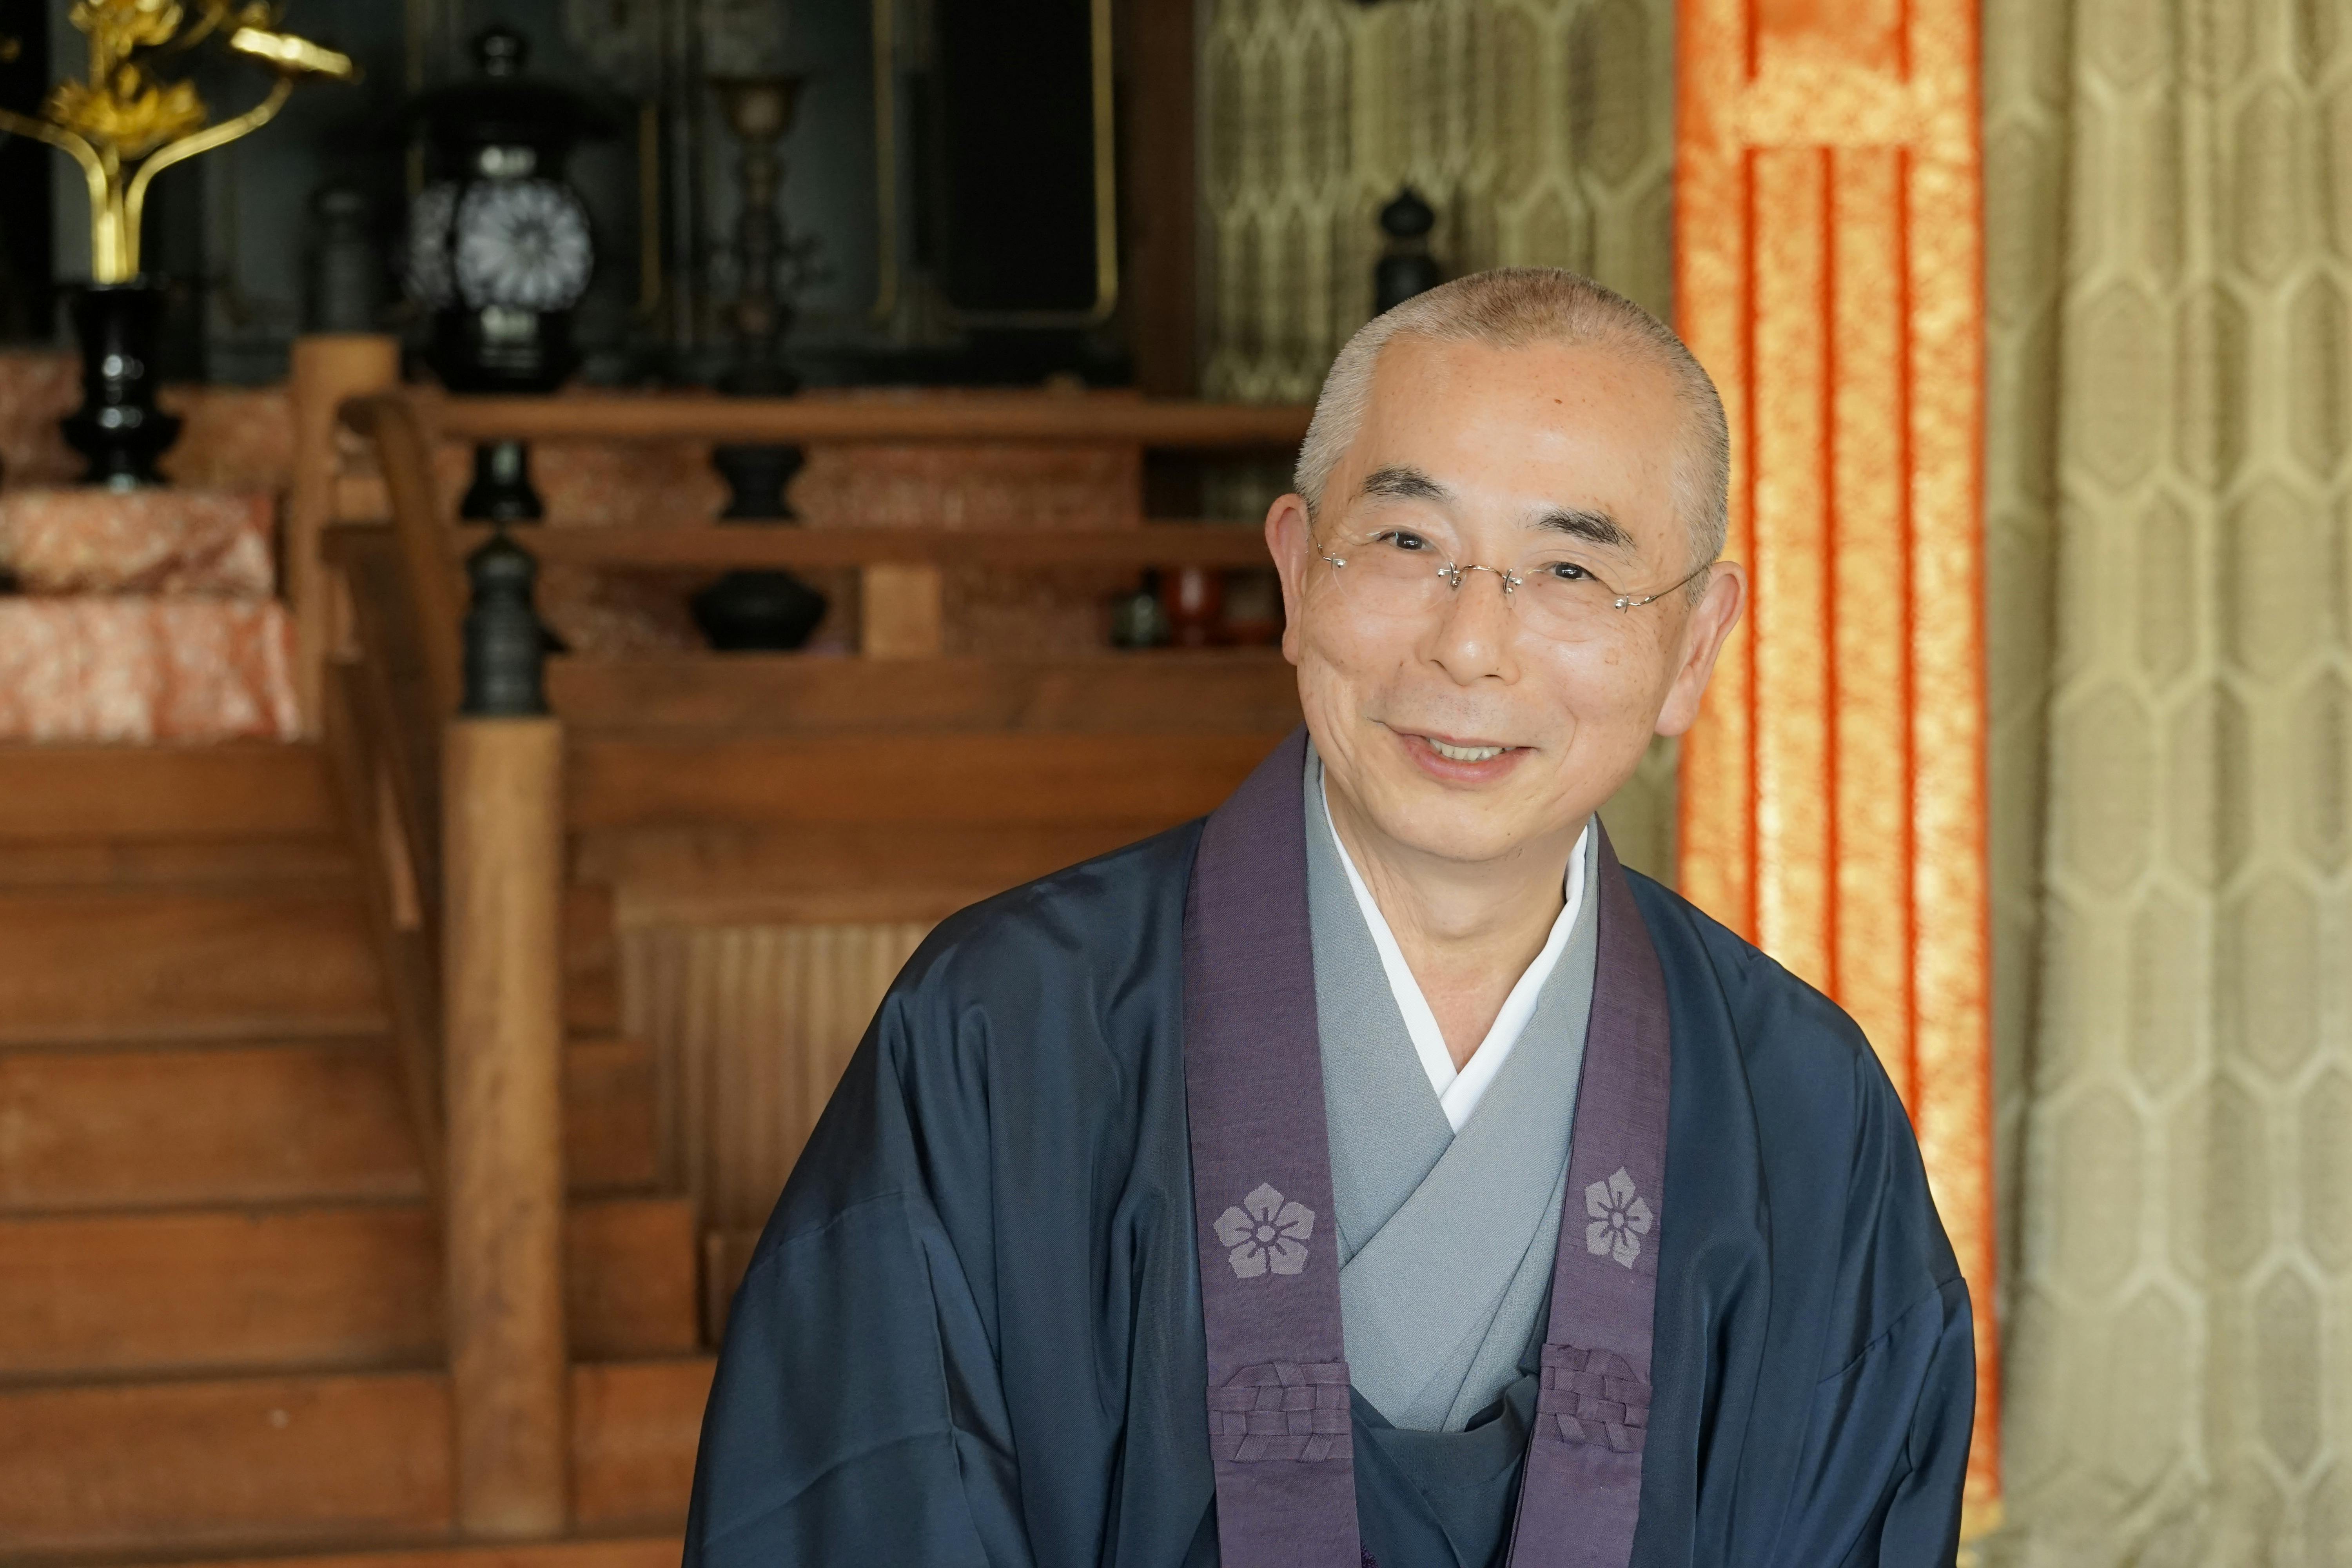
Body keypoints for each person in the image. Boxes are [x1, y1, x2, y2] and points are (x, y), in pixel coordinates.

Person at [683, 268, 1973, 1568]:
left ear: (1694, 646)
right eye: (1408, 544)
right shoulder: (1000, 1037)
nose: (1472, 645)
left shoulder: (1807, 1111)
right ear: (1298, 573)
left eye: (1572, 568)